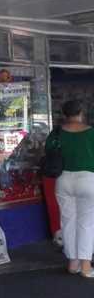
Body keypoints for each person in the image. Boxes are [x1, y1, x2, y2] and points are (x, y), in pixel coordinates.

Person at [50, 99, 94, 276]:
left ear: (65, 114)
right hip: (88, 179)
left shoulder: (57, 132)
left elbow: (48, 151)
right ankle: (85, 266)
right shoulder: (92, 133)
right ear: (81, 112)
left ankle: (73, 263)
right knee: (87, 223)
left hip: (64, 179)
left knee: (68, 221)